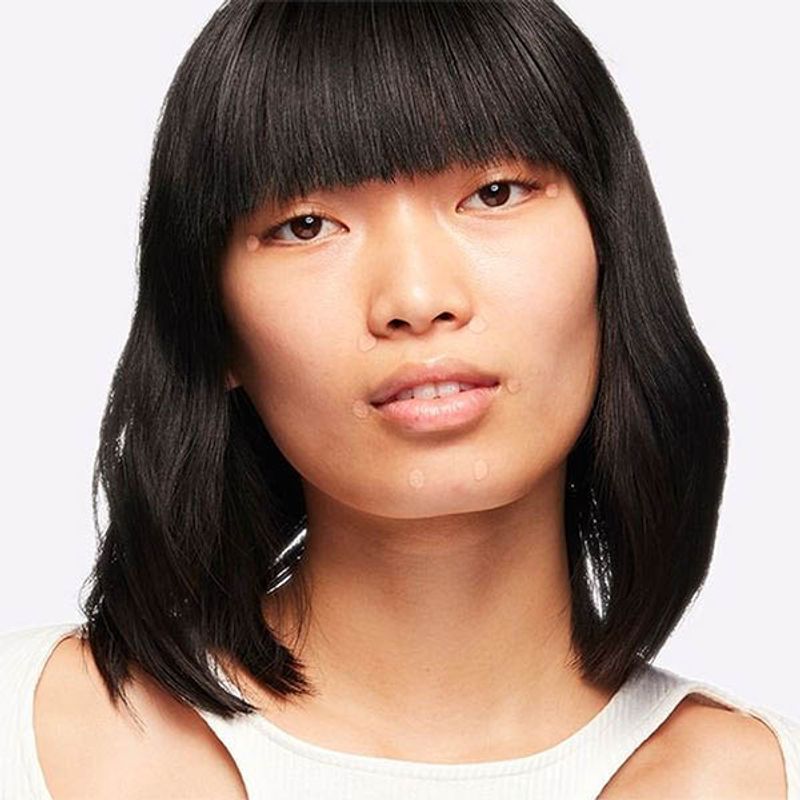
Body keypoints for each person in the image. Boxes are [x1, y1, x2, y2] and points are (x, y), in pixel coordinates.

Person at [1, 1, 798, 798]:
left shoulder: (755, 778)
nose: (417, 299)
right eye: (307, 225)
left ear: (611, 249)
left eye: (494, 193)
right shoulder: (36, 735)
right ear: (212, 326)